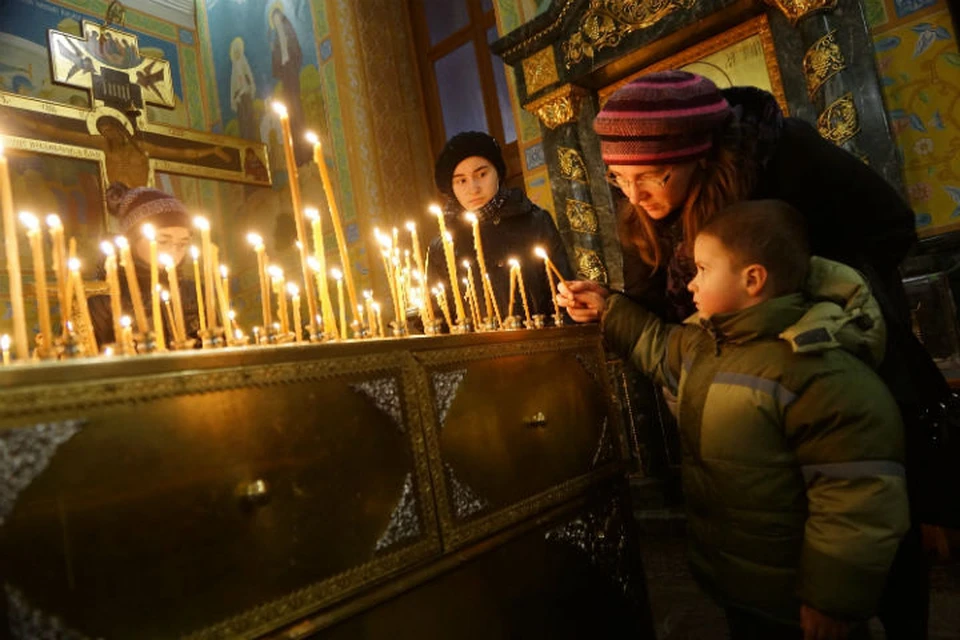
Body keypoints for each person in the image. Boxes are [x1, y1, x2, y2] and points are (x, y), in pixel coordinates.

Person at [557, 70, 953, 638]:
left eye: (651, 177)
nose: (635, 197)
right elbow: (663, 332)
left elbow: (888, 228)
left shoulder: (784, 159)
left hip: (824, 364)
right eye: (619, 180)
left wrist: (810, 309)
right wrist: (611, 306)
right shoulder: (645, 212)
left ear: (696, 157)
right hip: (747, 424)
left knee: (864, 554)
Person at [603, 199, 909, 639]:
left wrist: (832, 597)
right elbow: (655, 344)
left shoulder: (816, 370)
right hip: (742, 583)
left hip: (800, 599)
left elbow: (856, 495)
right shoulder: (707, 345)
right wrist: (608, 309)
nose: (691, 284)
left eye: (704, 270)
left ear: (753, 279)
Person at [426, 131, 572, 327]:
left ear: (498, 173)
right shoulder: (442, 247)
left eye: (482, 174)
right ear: (451, 188)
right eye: (461, 180)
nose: (474, 188)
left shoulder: (536, 223)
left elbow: (562, 293)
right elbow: (439, 317)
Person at [89, 186, 200, 348]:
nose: (173, 251)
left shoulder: (193, 291)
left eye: (182, 244)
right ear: (133, 241)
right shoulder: (103, 298)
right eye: (162, 241)